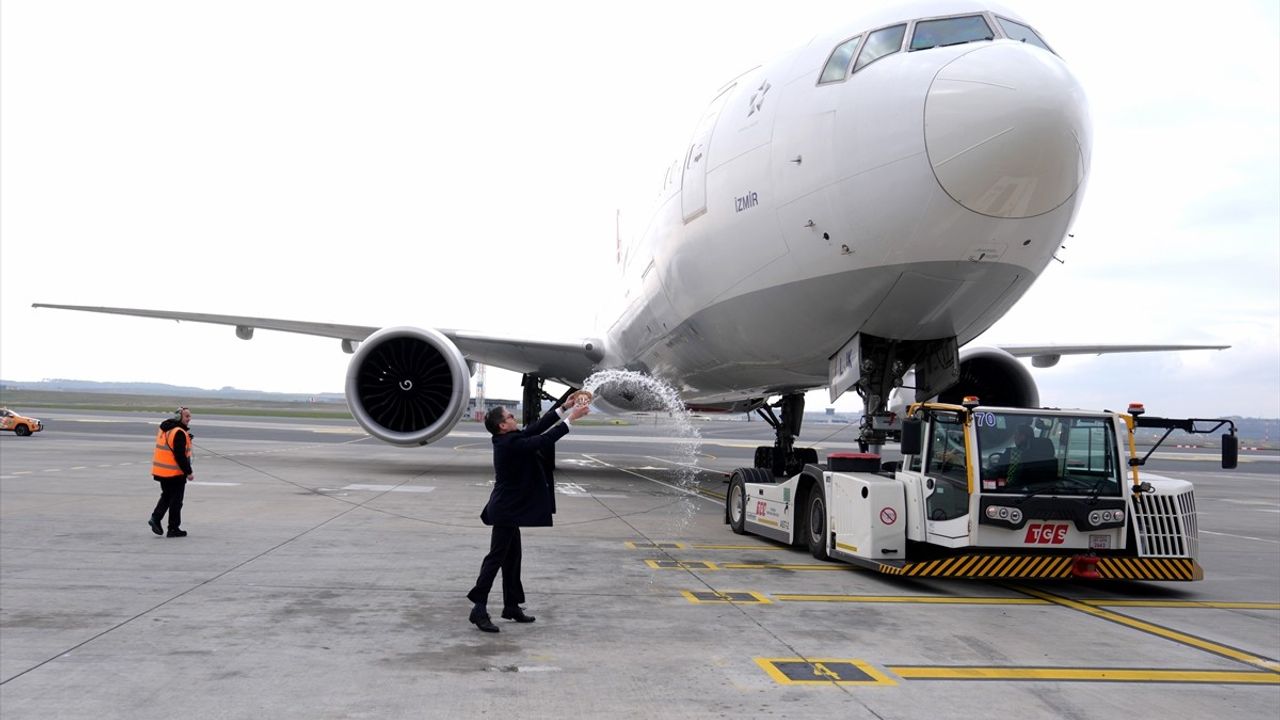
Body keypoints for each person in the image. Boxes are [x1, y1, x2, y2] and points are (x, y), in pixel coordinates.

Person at [466, 390, 592, 633]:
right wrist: (571, 419)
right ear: (503, 425)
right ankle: (478, 608)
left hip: (510, 511)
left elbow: (537, 428)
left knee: (512, 559)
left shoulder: (510, 439)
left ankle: (511, 606)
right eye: (510, 416)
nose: (515, 418)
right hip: (504, 512)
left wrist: (563, 408)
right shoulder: (509, 445)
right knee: (495, 560)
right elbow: (543, 440)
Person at [148, 407, 194, 538]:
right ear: (180, 418)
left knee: (167, 496)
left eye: (189, 416)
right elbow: (180, 455)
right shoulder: (178, 432)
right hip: (174, 473)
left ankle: (156, 518)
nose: (189, 419)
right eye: (187, 416)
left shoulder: (166, 428)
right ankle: (173, 528)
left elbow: (171, 445)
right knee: (176, 501)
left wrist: (187, 439)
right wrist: (188, 472)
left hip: (162, 471)